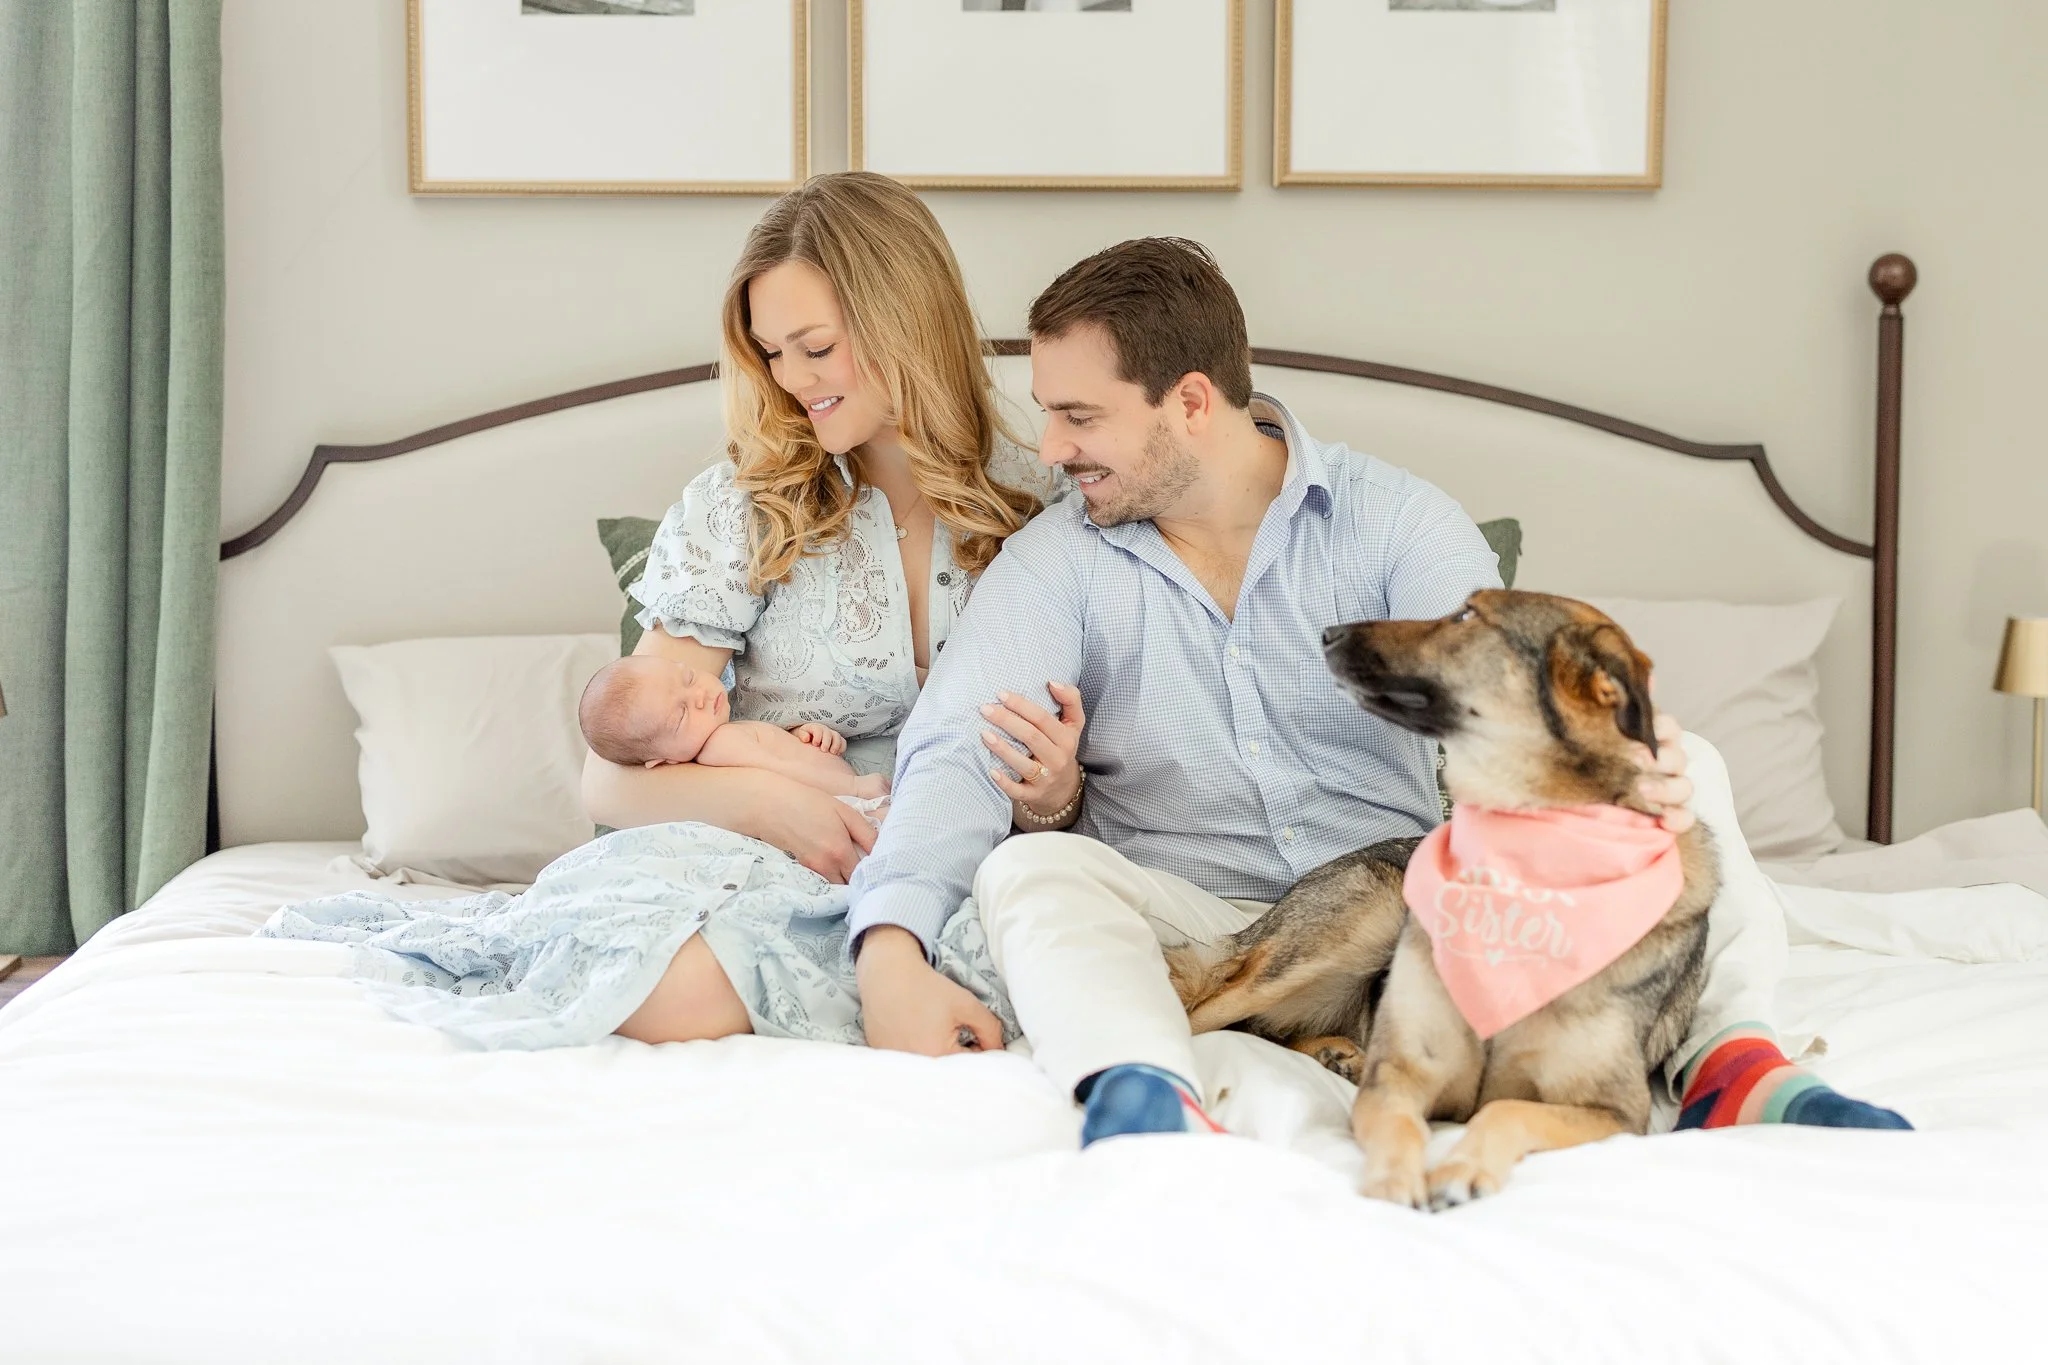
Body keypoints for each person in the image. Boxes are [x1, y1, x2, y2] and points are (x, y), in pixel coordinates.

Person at [849, 237, 1908, 1143]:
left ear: (1188, 403)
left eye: (1077, 416)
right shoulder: (1060, 561)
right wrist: (889, 949)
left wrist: (1614, 767)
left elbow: (1509, 708)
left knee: (1688, 768)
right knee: (1033, 867)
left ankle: (1730, 1063)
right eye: (1047, 415)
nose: (1049, 449)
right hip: (1200, 920)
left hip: (1418, 911)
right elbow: (953, 754)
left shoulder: (1393, 525)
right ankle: (1140, 1090)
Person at [260, 173, 1067, 1052]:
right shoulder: (746, 510)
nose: (791, 380)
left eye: (816, 347)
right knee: (654, 988)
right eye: (771, 353)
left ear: (903, 320)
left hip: (973, 855)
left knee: (1066, 945)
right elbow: (609, 782)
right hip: (774, 854)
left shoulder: (1049, 500)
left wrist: (1057, 795)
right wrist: (773, 802)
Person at [578, 654, 889, 806]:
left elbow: (782, 758)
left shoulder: (728, 732)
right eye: (681, 714)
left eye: (687, 678)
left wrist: (804, 739)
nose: (698, 696)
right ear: (664, 761)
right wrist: (856, 789)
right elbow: (785, 779)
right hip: (846, 802)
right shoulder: (720, 745)